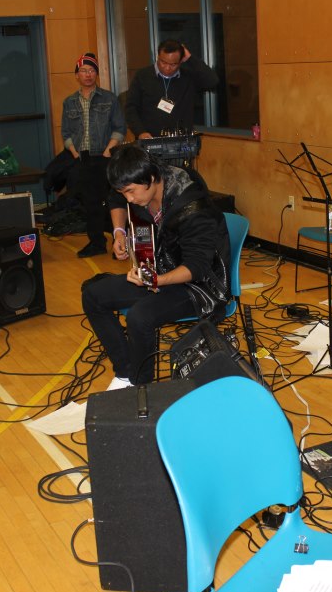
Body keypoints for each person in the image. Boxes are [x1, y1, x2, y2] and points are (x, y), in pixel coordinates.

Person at [81, 144, 230, 388]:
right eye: (124, 192)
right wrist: (119, 233)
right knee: (93, 296)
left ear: (150, 178)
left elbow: (198, 267)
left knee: (140, 317)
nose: (129, 199)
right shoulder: (144, 184)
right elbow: (116, 197)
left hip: (199, 287)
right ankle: (126, 373)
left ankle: (142, 387)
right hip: (161, 269)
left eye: (131, 192)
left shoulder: (193, 207)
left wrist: (157, 280)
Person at [60, 53, 125, 258]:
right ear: (77, 75)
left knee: (113, 200)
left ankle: (119, 243)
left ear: (96, 74)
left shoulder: (109, 98)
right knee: (90, 203)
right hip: (83, 158)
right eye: (83, 71)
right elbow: (66, 133)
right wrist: (74, 152)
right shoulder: (69, 102)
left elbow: (120, 128)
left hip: (106, 156)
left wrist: (108, 150)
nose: (88, 74)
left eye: (92, 70)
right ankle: (97, 243)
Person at [124, 39, 218, 140]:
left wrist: (190, 58)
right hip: (150, 139)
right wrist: (140, 132)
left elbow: (213, 81)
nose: (167, 68)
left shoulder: (188, 77)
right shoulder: (142, 76)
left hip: (182, 140)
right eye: (163, 62)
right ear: (158, 57)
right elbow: (131, 108)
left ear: (181, 61)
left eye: (173, 64)